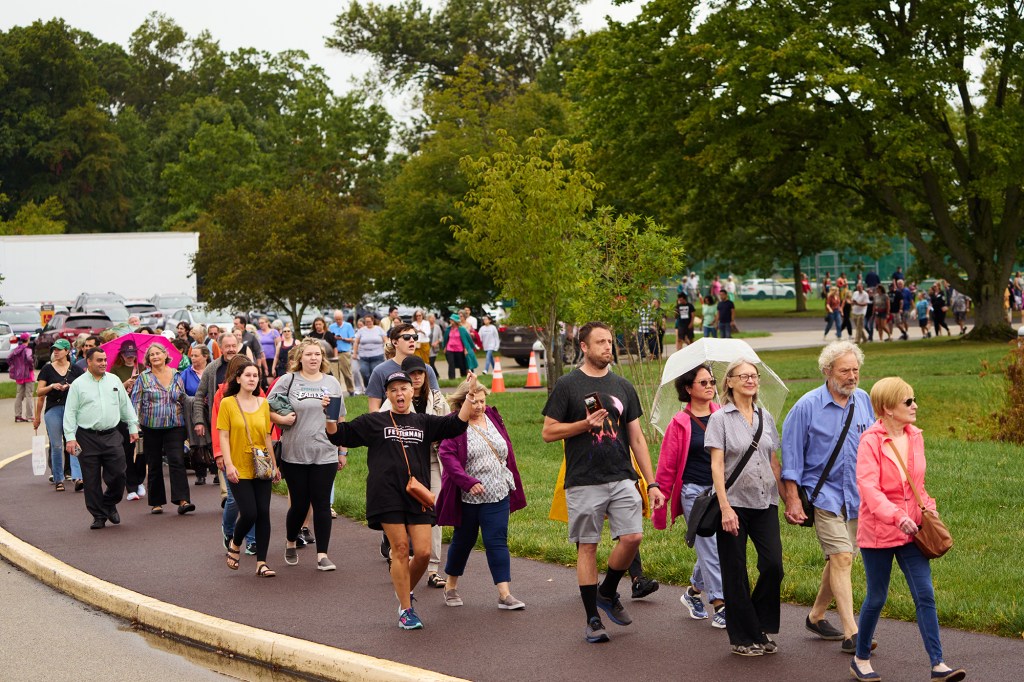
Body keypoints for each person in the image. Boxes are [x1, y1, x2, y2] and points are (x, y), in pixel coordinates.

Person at [541, 322, 665, 644]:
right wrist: (583, 425)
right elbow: (548, 432)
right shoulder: (568, 385)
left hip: (623, 475)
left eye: (609, 342)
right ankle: (592, 619)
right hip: (584, 479)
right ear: (584, 346)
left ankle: (607, 591)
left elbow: (636, 438)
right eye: (600, 342)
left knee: (634, 536)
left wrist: (651, 483)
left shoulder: (623, 385)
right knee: (588, 546)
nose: (608, 347)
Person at [327, 371, 481, 630]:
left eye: (404, 389)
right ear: (387, 395)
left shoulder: (423, 421)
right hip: (385, 494)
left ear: (412, 392)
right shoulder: (374, 421)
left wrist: (470, 394)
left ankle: (403, 592)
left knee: (422, 552)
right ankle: (406, 609)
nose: (399, 394)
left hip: (416, 494)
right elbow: (340, 435)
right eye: (394, 390)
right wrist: (330, 416)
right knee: (399, 549)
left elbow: (455, 424)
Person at [850, 378, 966, 682]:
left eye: (913, 400)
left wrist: (929, 507)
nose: (915, 406)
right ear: (888, 408)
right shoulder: (870, 441)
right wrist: (895, 515)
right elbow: (868, 488)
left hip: (913, 531)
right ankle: (861, 659)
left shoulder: (915, 436)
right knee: (876, 597)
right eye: (908, 402)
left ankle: (938, 664)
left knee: (925, 594)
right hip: (879, 531)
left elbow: (918, 485)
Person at [781, 342, 876, 654]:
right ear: (827, 372)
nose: (852, 376)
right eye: (844, 370)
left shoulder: (864, 401)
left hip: (856, 495)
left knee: (842, 557)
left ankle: (816, 615)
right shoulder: (806, 407)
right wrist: (792, 500)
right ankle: (853, 633)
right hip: (823, 495)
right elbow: (791, 460)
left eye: (855, 370)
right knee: (842, 557)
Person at [706, 358, 785, 656]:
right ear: (730, 382)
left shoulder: (765, 417)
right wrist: (725, 508)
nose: (751, 380)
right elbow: (716, 466)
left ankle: (759, 625)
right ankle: (742, 636)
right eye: (744, 376)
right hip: (734, 505)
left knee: (773, 566)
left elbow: (773, 462)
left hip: (766, 502)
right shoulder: (720, 419)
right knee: (735, 570)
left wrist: (789, 499)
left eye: (755, 376)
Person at [438, 376, 527, 609]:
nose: (479, 406)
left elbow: (505, 449)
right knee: (463, 542)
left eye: (482, 401)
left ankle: (504, 594)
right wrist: (467, 482)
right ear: (463, 402)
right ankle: (450, 586)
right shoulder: (454, 424)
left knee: (496, 541)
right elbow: (447, 457)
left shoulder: (493, 419)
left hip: (498, 492)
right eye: (474, 401)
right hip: (469, 497)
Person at [652, 364, 726, 627]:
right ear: (688, 388)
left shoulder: (723, 414)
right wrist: (660, 493)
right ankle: (720, 604)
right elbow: (668, 465)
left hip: (721, 492)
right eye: (703, 382)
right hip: (695, 493)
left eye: (712, 381)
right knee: (711, 547)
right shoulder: (679, 423)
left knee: (716, 547)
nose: (710, 386)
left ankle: (693, 592)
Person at [269, 338, 344, 572]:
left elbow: (339, 418)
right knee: (300, 505)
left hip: (325, 451)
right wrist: (281, 419)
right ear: (300, 357)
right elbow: (266, 408)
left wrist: (343, 450)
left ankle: (322, 555)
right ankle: (291, 540)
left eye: (318, 354)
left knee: (322, 504)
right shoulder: (288, 381)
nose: (314, 358)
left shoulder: (332, 383)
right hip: (294, 453)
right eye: (309, 354)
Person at [380, 355, 452, 588]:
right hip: (405, 465)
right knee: (403, 512)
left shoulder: (438, 400)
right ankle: (399, 557)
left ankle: (432, 568)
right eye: (412, 374)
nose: (417, 377)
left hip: (432, 462)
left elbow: (450, 426)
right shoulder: (394, 399)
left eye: (420, 373)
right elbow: (381, 425)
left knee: (435, 512)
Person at [62, 348, 139, 529]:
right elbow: (70, 413)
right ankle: (98, 515)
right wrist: (70, 438)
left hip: (112, 435)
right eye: (99, 360)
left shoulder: (114, 381)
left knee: (119, 473)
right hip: (86, 438)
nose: (103, 363)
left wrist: (133, 427)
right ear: (88, 362)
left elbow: (125, 406)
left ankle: (109, 502)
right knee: (91, 479)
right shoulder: (78, 384)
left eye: (105, 360)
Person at [218, 358, 280, 577]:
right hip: (238, 466)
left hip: (261, 464)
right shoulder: (227, 403)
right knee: (250, 512)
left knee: (263, 513)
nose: (252, 379)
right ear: (238, 378)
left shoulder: (263, 403)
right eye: (248, 375)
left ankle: (261, 562)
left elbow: (266, 436)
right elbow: (223, 436)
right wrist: (229, 464)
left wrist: (274, 465)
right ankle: (235, 543)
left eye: (255, 376)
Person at [131, 344, 193, 516]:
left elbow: (183, 398)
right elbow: (134, 402)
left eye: (158, 353)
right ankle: (156, 502)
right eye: (152, 355)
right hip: (151, 426)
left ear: (166, 355)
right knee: (154, 463)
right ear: (148, 360)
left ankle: (183, 500)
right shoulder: (143, 377)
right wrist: (133, 425)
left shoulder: (177, 375)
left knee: (177, 461)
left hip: (175, 424)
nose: (155, 356)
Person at [33, 339, 85, 491]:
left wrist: (72, 386)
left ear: (67, 352)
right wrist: (51, 386)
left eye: (59, 349)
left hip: (72, 410)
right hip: (54, 409)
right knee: (56, 445)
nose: (56, 352)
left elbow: (84, 389)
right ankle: (58, 478)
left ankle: (78, 477)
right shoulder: (47, 369)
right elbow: (39, 392)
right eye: (54, 349)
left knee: (74, 443)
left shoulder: (76, 370)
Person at [366, 323, 442, 412]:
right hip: (392, 423)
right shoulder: (380, 371)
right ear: (395, 342)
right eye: (406, 337)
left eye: (415, 337)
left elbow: (437, 402)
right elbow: (374, 409)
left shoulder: (426, 369)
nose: (412, 340)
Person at [109, 340, 147, 501]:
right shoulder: (115, 371)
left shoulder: (143, 368)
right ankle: (130, 485)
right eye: (126, 354)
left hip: (142, 414)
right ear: (121, 354)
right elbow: (111, 393)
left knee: (143, 451)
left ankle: (139, 480)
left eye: (132, 355)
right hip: (123, 415)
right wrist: (125, 384)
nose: (129, 358)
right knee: (127, 450)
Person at [182, 345, 213, 485]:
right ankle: (200, 473)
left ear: (205, 356)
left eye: (196, 355)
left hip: (212, 409)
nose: (192, 358)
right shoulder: (186, 374)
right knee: (198, 441)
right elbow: (180, 393)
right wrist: (194, 400)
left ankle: (216, 470)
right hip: (194, 411)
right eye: (191, 356)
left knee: (214, 439)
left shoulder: (213, 371)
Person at [328, 310, 356, 395]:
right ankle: (337, 392)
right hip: (334, 353)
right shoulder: (332, 326)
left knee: (347, 373)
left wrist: (343, 338)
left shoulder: (348, 326)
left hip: (344, 352)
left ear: (342, 318)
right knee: (335, 374)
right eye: (336, 319)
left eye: (339, 319)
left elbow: (352, 339)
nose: (338, 321)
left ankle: (351, 390)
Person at [353, 314, 387, 382]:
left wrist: (386, 351)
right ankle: (367, 387)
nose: (368, 323)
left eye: (369, 321)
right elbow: (356, 342)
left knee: (375, 373)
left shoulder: (378, 329)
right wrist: (355, 353)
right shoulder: (361, 330)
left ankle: (375, 388)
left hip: (377, 355)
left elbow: (386, 340)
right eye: (366, 322)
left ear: (372, 321)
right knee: (364, 372)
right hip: (364, 356)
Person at [9, 333, 35, 423]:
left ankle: (18, 415)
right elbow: (29, 358)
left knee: (19, 395)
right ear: (27, 339)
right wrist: (31, 366)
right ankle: (29, 416)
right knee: (29, 395)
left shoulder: (16, 350)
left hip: (19, 375)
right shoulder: (28, 350)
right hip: (28, 374)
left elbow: (9, 358)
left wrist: (16, 367)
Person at [427, 313, 443, 377]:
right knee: (428, 363)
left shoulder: (437, 327)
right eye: (431, 318)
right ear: (428, 319)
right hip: (426, 347)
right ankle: (434, 375)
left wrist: (436, 342)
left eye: (434, 318)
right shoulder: (426, 327)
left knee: (431, 363)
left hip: (434, 348)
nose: (433, 319)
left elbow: (441, 338)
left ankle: (436, 375)